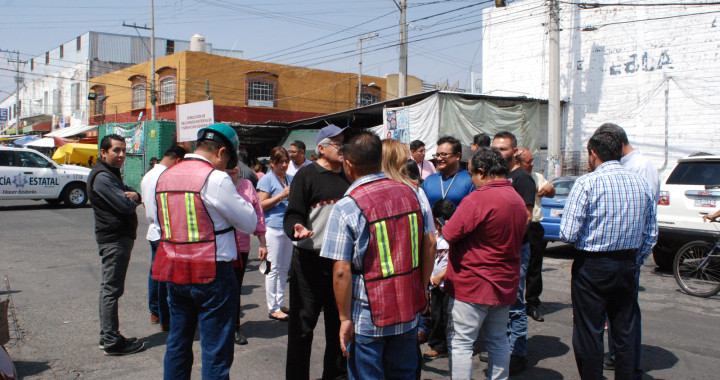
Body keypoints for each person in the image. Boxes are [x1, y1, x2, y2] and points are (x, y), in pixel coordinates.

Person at [320, 131, 436, 379]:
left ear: (349, 165)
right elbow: (429, 246)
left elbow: (341, 270)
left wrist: (343, 318)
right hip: (407, 310)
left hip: (367, 314)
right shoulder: (412, 194)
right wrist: (423, 289)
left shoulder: (347, 205)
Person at [152, 123, 257, 379]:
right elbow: (249, 222)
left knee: (177, 342)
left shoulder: (165, 175)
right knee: (216, 351)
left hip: (175, 270)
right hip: (212, 273)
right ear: (222, 153)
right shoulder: (215, 177)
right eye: (228, 159)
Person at [560, 131, 657, 380]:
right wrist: (635, 261)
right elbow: (651, 234)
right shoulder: (640, 183)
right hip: (626, 264)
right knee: (624, 330)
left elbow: (568, 234)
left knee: (589, 332)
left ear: (593, 154)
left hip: (592, 266)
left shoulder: (587, 183)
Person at [443, 146, 528, 380]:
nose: (471, 180)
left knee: (461, 342)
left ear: (481, 171)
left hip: (473, 283)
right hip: (504, 283)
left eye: (471, 174)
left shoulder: (478, 199)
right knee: (499, 340)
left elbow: (449, 233)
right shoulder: (517, 200)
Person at [283, 124, 350, 380]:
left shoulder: (350, 175)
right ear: (321, 148)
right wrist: (296, 228)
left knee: (339, 327)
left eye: (344, 143)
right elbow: (293, 215)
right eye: (337, 143)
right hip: (309, 261)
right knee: (302, 328)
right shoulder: (306, 175)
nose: (343, 148)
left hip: (341, 263)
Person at [593, 123, 659, 377]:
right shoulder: (624, 165)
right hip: (617, 255)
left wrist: (637, 259)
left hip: (627, 254)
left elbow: (647, 220)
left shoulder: (640, 167)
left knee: (626, 315)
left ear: (613, 142)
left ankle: (629, 362)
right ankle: (617, 356)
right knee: (617, 314)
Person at [88, 134, 145, 356]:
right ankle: (111, 340)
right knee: (111, 290)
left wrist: (136, 195)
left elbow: (133, 194)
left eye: (123, 150)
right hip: (113, 238)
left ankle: (108, 335)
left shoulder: (111, 174)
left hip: (118, 237)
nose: (121, 155)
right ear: (103, 153)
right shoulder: (102, 177)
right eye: (116, 151)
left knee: (111, 289)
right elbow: (124, 204)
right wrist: (132, 198)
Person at [491, 131, 535, 375]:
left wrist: (507, 244)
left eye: (503, 149)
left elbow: (526, 217)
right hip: (498, 250)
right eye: (495, 148)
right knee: (500, 302)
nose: (499, 153)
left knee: (516, 303)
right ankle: (503, 348)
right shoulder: (498, 176)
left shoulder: (522, 179)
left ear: (515, 151)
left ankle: (517, 353)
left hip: (516, 249)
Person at [140, 145, 186, 331]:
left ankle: (156, 311)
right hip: (164, 232)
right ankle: (164, 317)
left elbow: (145, 203)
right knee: (165, 277)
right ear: (178, 161)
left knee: (155, 273)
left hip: (153, 229)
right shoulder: (166, 176)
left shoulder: (148, 174)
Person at [227, 165, 267, 345]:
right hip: (216, 247)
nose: (233, 169)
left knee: (235, 288)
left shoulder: (247, 186)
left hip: (240, 247)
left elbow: (258, 213)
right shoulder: (216, 184)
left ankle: (234, 327)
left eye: (235, 165)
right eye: (229, 165)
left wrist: (262, 242)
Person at [515, 147, 555, 323]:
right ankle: (512, 302)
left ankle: (532, 303)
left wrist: (550, 188)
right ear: (517, 162)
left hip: (535, 226)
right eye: (528, 162)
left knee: (534, 268)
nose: (532, 164)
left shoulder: (536, 177)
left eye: (533, 161)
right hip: (517, 226)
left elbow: (550, 191)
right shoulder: (511, 178)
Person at [257, 147, 294, 321]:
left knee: (284, 268)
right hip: (273, 228)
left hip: (287, 228)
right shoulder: (267, 180)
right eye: (280, 162)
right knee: (273, 268)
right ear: (272, 163)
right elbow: (261, 204)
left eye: (286, 161)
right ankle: (273, 307)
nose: (284, 165)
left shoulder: (290, 178)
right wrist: (280, 195)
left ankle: (279, 303)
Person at [423, 199, 455, 361]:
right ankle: (437, 344)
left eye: (439, 222)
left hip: (446, 283)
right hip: (434, 283)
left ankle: (445, 346)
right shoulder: (436, 236)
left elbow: (455, 261)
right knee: (435, 316)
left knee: (446, 317)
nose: (437, 225)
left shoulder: (453, 238)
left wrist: (439, 276)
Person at [420, 136, 475, 208]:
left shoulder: (470, 180)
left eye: (444, 154)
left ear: (458, 156)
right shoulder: (429, 181)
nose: (438, 158)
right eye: (437, 155)